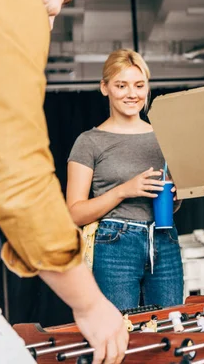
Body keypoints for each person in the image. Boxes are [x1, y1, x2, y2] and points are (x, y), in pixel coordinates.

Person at [0, 0, 128, 364]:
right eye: (56, 5)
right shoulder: (5, 0)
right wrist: (88, 304)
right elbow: (19, 182)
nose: (48, 26)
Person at [66, 49, 184, 311]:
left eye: (139, 85)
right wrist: (124, 191)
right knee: (119, 331)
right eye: (121, 85)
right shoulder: (89, 142)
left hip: (165, 239)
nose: (132, 94)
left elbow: (172, 197)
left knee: (171, 328)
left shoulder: (165, 136)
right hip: (114, 244)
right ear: (104, 88)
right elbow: (74, 213)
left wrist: (177, 196)